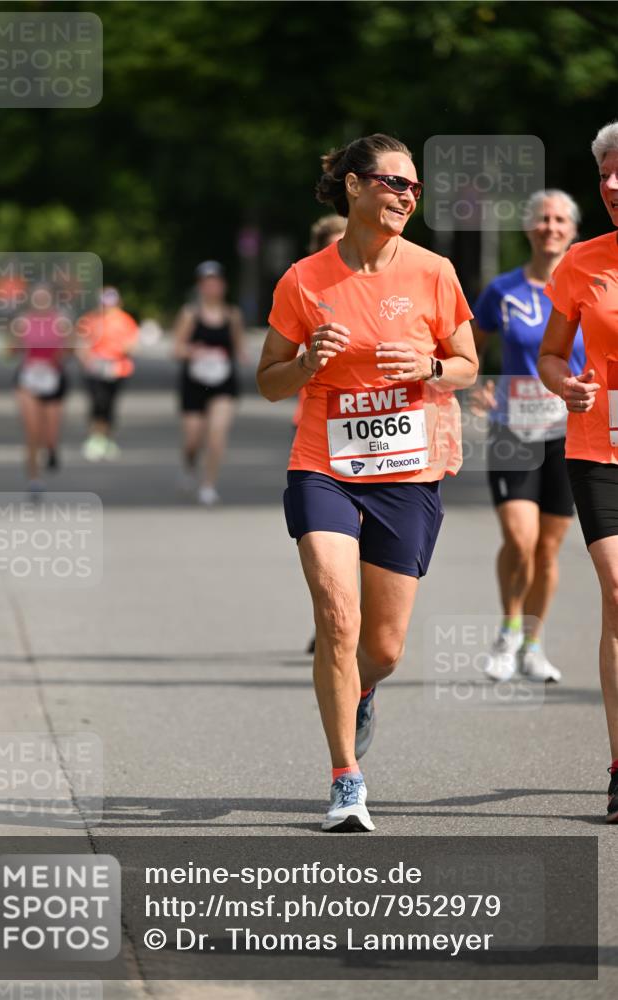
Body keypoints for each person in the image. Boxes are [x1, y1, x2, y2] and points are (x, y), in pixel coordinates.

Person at [257, 133, 478, 832]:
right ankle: (345, 780)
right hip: (323, 462)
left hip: (406, 472)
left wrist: (430, 367)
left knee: (380, 648)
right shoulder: (303, 279)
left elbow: (469, 363)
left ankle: (359, 690)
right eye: (392, 182)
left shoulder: (434, 272)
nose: (405, 196)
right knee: (336, 615)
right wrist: (305, 365)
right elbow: (268, 380)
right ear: (353, 187)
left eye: (413, 187)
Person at [471, 190, 585, 684]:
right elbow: (469, 349)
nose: (550, 226)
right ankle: (508, 631)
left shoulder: (590, 287)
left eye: (560, 219)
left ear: (573, 230)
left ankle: (534, 644)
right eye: (542, 218)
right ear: (528, 228)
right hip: (513, 430)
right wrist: (479, 388)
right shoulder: (503, 291)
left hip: (572, 431)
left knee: (547, 550)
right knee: (520, 538)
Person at [538, 120, 618, 824]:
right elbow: (550, 354)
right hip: (599, 448)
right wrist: (565, 386)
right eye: (604, 175)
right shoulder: (582, 263)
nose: (613, 185)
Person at [301, 215, 347, 654]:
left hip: (384, 439)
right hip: (320, 427)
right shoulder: (305, 287)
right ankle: (334, 620)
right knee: (330, 546)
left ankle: (354, 624)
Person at [173, 261, 247, 505]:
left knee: (217, 435)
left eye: (216, 283)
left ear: (223, 286)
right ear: (200, 287)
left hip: (223, 382)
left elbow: (239, 350)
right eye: (207, 284)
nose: (212, 288)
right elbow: (176, 350)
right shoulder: (190, 314)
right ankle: (189, 464)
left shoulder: (232, 315)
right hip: (194, 381)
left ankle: (208, 485)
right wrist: (193, 351)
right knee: (193, 439)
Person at [10, 284, 71, 493]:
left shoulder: (61, 321)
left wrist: (64, 349)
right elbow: (9, 352)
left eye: (45, 298)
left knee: (51, 432)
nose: (41, 302)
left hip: (53, 377)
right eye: (38, 298)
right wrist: (14, 343)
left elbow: (70, 349)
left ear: (51, 300)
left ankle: (52, 448)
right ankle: (34, 478)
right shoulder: (22, 322)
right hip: (28, 379)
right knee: (32, 431)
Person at [76, 287, 139, 461]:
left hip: (117, 368)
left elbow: (132, 344)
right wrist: (88, 360)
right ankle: (95, 437)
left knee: (110, 403)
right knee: (97, 402)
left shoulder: (125, 320)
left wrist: (118, 352)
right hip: (95, 368)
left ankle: (107, 437)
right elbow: (81, 343)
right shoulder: (90, 319)